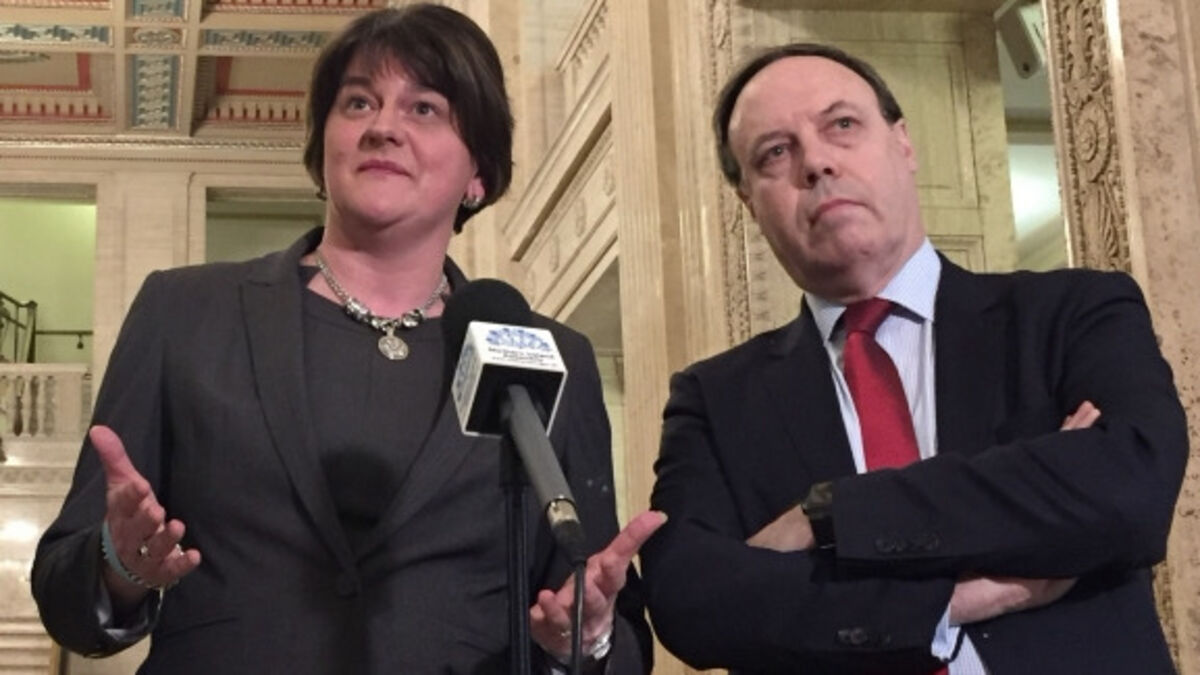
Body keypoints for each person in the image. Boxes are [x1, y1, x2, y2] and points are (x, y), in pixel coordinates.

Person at [32, 5, 661, 673]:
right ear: (323, 145)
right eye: (358, 102)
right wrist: (120, 564)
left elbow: (611, 629)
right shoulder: (184, 313)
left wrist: (585, 637)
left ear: (478, 171)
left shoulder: (551, 356)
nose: (383, 127)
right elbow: (66, 597)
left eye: (425, 109)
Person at [640, 43, 1188, 674]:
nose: (815, 162)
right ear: (749, 204)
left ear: (903, 143)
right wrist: (950, 602)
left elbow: (1130, 488)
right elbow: (692, 602)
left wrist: (831, 517)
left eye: (842, 125)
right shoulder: (716, 400)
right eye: (775, 153)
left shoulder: (1070, 311)